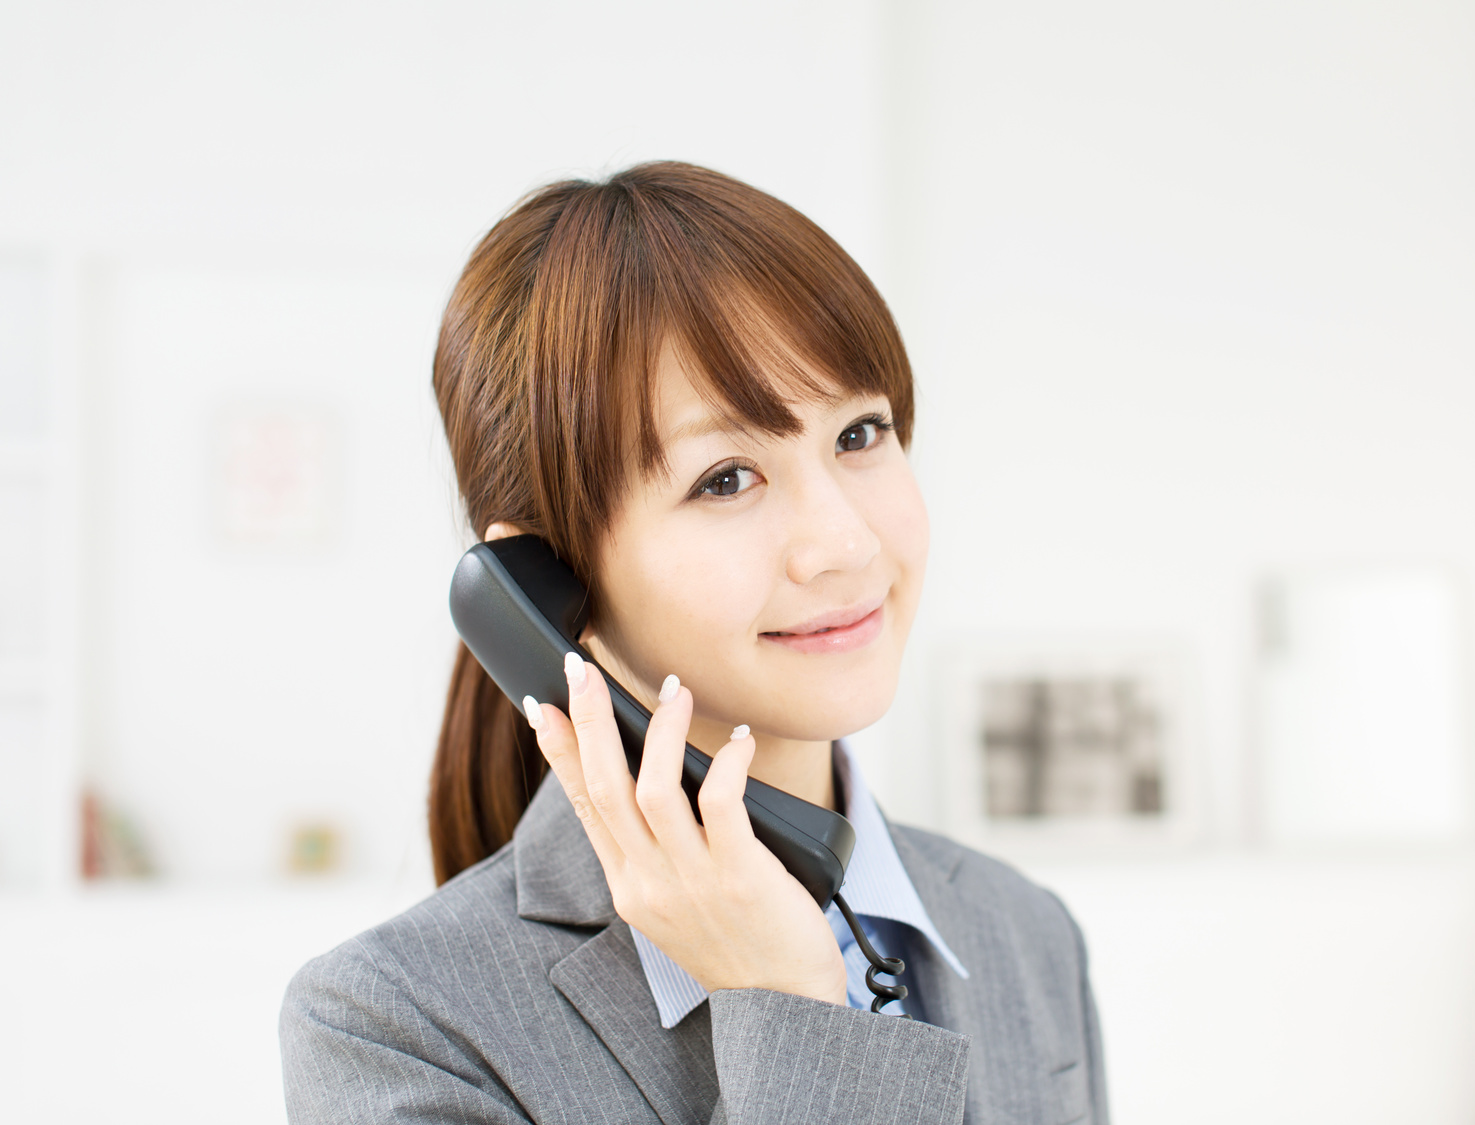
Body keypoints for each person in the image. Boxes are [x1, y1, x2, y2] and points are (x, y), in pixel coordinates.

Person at [280, 162, 1108, 1124]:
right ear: (547, 581)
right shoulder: (395, 1028)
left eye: (859, 432)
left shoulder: (1025, 934)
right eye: (725, 479)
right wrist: (793, 1016)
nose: (845, 543)